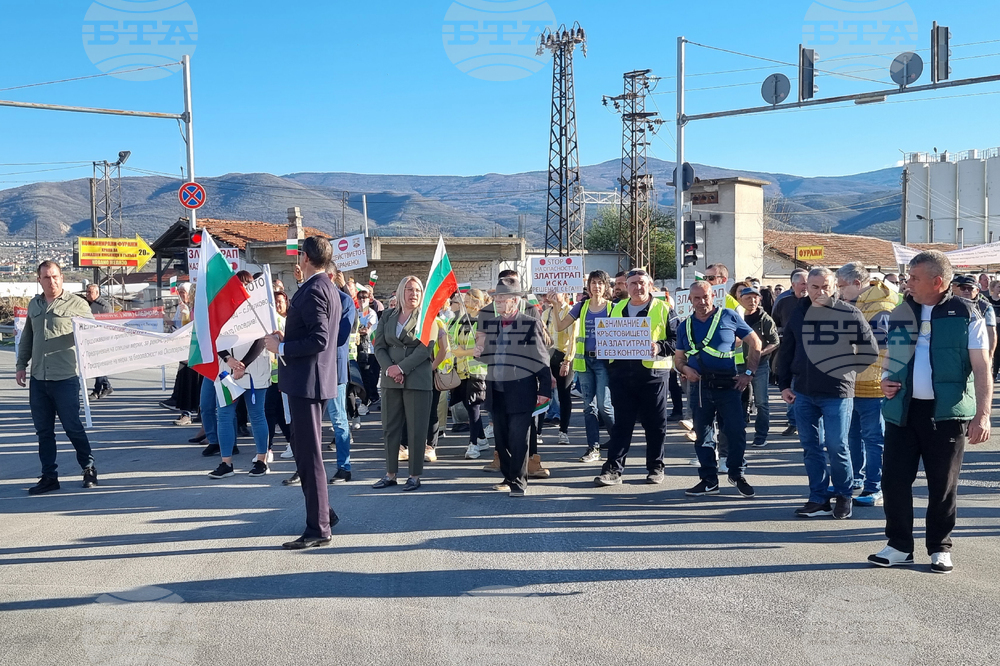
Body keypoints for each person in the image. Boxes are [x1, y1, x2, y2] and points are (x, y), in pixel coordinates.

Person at [870, 250, 991, 573]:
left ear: (937, 281)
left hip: (946, 414)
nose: (907, 283)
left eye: (914, 277)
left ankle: (940, 547)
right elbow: (892, 357)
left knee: (942, 484)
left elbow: (982, 368)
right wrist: (885, 380)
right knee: (894, 481)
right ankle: (898, 545)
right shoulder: (901, 311)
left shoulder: (967, 314)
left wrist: (983, 415)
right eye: (907, 277)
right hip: (902, 412)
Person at [777, 267, 878, 520]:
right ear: (805, 287)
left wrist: (847, 371)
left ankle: (844, 495)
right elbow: (787, 350)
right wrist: (784, 385)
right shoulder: (798, 313)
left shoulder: (849, 312)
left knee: (837, 446)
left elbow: (870, 351)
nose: (820, 292)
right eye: (814, 287)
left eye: (825, 286)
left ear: (834, 287)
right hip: (803, 392)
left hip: (837, 392)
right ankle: (818, 497)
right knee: (810, 447)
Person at [264, 236, 342, 549]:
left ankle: (319, 528)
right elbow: (315, 334)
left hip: (307, 383)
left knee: (310, 458)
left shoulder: (314, 289)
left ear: (305, 257)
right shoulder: (326, 287)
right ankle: (324, 513)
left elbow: (320, 339)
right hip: (311, 380)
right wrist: (286, 337)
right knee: (304, 452)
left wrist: (281, 346)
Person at [16, 261, 98, 495]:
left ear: (61, 278)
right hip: (39, 379)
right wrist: (21, 365)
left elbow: (92, 334)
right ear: (39, 280)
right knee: (44, 432)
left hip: (65, 378)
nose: (51, 281)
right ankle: (49, 476)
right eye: (46, 278)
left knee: (73, 427)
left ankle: (88, 468)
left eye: (55, 277)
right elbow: (27, 339)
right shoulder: (34, 305)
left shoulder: (77, 304)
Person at [674, 280, 761, 498]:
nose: (702, 302)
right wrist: (685, 369)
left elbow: (756, 343)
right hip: (701, 386)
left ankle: (737, 474)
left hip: (730, 384)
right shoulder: (685, 325)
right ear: (690, 300)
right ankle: (708, 480)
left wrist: (748, 373)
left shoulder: (729, 316)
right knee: (703, 436)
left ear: (713, 296)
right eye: (697, 298)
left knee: (735, 432)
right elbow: (678, 359)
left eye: (705, 296)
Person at [593, 269, 677, 486]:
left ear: (650, 285)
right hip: (622, 375)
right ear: (625, 286)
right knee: (622, 425)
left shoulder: (663, 308)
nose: (637, 287)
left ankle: (655, 467)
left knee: (655, 425)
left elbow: (678, 341)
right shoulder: (617, 308)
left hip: (653, 374)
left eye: (642, 283)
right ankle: (613, 469)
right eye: (633, 283)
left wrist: (658, 347)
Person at [474, 277, 552, 497]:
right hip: (496, 389)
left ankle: (518, 481)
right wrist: (480, 353)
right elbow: (490, 357)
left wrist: (544, 389)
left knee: (519, 437)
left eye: (502, 298)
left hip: (521, 389)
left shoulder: (529, 323)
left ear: (515, 300)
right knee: (501, 438)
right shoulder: (493, 324)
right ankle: (508, 476)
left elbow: (541, 358)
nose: (497, 302)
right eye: (496, 298)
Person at [836, 263, 896, 507]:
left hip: (873, 383)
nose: (838, 291)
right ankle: (854, 480)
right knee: (852, 437)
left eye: (841, 286)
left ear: (857, 285)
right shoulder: (852, 305)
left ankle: (875, 486)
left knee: (874, 439)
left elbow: (881, 347)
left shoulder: (882, 309)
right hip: (852, 382)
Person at [370, 275, 436, 492]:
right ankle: (390, 474)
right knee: (390, 427)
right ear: (400, 292)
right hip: (391, 379)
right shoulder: (387, 315)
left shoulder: (427, 317)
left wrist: (401, 368)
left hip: (416, 378)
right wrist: (390, 368)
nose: (413, 293)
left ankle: (414, 475)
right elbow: (379, 346)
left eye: (417, 290)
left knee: (417, 429)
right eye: (409, 289)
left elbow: (425, 348)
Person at [206, 274, 273, 480]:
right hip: (228, 370)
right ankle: (226, 463)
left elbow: (263, 338)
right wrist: (228, 360)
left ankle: (261, 461)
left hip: (254, 370)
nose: (242, 287)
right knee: (225, 416)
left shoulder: (260, 306)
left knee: (257, 415)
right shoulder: (223, 306)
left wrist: (243, 364)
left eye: (246, 283)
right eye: (239, 284)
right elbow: (215, 335)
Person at [550, 270, 615, 463]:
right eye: (593, 283)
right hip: (585, 361)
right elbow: (560, 326)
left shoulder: (614, 308)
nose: (597, 287)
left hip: (604, 362)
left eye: (600, 283)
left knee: (605, 405)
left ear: (606, 287)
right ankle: (593, 448)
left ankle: (618, 439)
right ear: (588, 287)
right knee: (589, 407)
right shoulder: (582, 306)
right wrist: (554, 305)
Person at [323, 266, 357, 484]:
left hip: (332, 368)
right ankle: (305, 467)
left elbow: (342, 335)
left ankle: (344, 467)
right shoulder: (308, 296)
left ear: (331, 277)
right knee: (309, 422)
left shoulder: (345, 301)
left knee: (338, 418)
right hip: (310, 367)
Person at [450, 290, 490, 459]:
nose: (464, 302)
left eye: (467, 300)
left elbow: (480, 349)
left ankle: (473, 444)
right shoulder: (460, 320)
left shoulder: (484, 320)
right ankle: (481, 438)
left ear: (476, 302)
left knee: (473, 405)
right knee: (467, 405)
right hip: (461, 370)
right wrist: (465, 351)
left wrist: (462, 351)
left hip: (477, 370)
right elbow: (452, 344)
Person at [737, 285, 778, 448]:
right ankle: (738, 432)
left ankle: (761, 435)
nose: (752, 301)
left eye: (755, 298)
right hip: (739, 363)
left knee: (761, 402)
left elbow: (775, 342)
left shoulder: (765, 318)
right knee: (738, 400)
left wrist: (759, 352)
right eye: (748, 298)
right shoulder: (737, 317)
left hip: (760, 366)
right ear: (740, 300)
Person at [771, 269, 809, 436]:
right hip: (789, 350)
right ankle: (792, 422)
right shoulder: (783, 301)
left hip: (811, 352)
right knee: (790, 387)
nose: (806, 287)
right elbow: (775, 323)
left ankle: (808, 423)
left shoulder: (816, 302)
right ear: (793, 285)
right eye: (803, 284)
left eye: (808, 284)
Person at [541, 290, 577, 445]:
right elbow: (542, 337)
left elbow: (573, 339)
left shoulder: (571, 312)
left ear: (566, 294)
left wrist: (567, 361)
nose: (552, 295)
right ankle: (537, 432)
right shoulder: (546, 313)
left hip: (563, 357)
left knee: (564, 394)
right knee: (542, 393)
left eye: (557, 292)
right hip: (547, 357)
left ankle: (564, 431)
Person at [265, 291, 292, 459]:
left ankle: (291, 442)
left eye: (280, 301)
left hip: (285, 375)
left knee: (284, 414)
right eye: (275, 302)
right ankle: (267, 448)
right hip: (271, 377)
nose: (278, 305)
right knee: (269, 411)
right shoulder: (269, 321)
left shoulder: (286, 321)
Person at [951, 275, 997, 359]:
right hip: (958, 352)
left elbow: (991, 333)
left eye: (970, 288)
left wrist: (990, 356)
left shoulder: (986, 307)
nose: (966, 291)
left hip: (979, 350)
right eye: (963, 288)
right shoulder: (953, 304)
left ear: (977, 290)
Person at [83, 284, 114, 399]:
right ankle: (107, 386)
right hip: (90, 338)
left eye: (90, 292)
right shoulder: (85, 304)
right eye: (86, 292)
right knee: (95, 365)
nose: (87, 294)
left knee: (98, 364)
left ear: (97, 293)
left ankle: (96, 391)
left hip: (101, 339)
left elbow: (108, 324)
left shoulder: (104, 306)